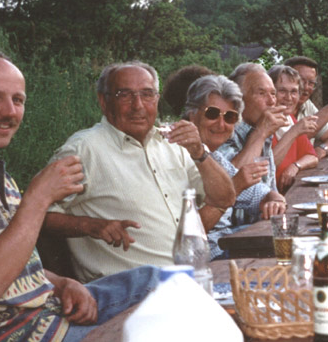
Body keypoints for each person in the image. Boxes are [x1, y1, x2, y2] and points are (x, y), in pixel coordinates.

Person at [0, 51, 159, 342]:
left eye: (17, 100)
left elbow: (12, 261)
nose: (9, 112)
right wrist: (38, 197)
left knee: (161, 281)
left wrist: (62, 282)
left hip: (45, 318)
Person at [43, 61, 236, 282]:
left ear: (157, 99)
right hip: (129, 291)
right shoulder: (84, 149)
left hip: (185, 279)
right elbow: (41, 213)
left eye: (147, 94)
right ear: (103, 101)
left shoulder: (173, 143)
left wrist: (200, 153)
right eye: (124, 95)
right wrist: (90, 225)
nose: (138, 105)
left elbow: (225, 198)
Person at [182, 75, 286, 259]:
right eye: (212, 114)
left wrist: (275, 199)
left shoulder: (214, 157)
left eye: (230, 117)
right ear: (192, 114)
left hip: (228, 246)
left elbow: (262, 194)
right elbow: (184, 237)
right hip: (206, 258)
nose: (221, 124)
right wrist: (235, 186)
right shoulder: (177, 157)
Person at [218, 63, 287, 190]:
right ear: (238, 100)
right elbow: (228, 185)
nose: (272, 101)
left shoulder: (262, 130)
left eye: (273, 94)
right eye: (261, 93)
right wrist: (260, 134)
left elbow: (269, 189)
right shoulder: (222, 130)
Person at [268, 65, 319, 193]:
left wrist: (295, 166)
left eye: (294, 92)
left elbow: (312, 156)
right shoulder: (263, 124)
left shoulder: (289, 119)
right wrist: (294, 132)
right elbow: (267, 168)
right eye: (282, 91)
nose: (289, 98)